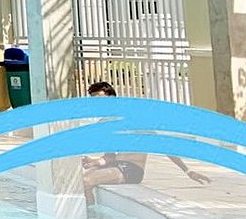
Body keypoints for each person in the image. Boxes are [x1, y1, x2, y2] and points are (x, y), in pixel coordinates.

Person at [80, 83, 212, 199]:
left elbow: (163, 145)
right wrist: (95, 161)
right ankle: (91, 213)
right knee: (79, 180)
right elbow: (109, 157)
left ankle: (91, 218)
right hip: (116, 165)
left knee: (86, 181)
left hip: (131, 169)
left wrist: (188, 171)